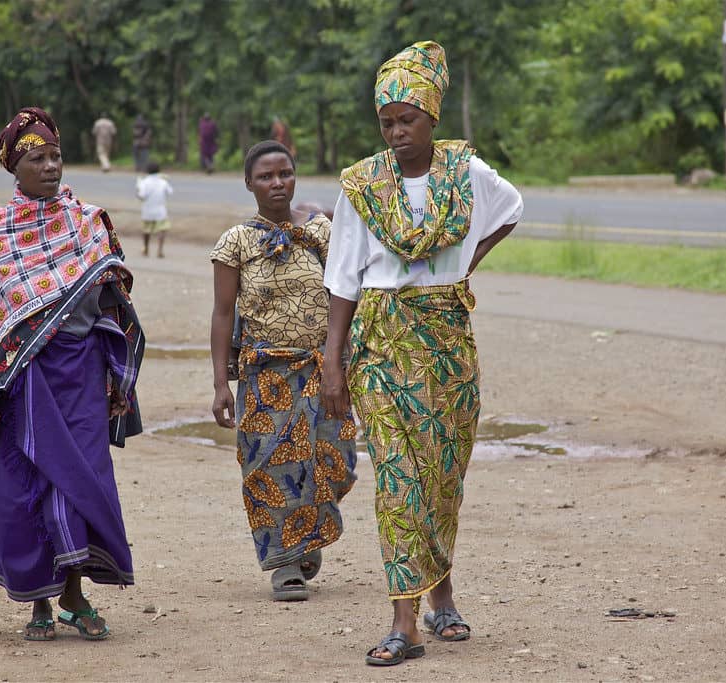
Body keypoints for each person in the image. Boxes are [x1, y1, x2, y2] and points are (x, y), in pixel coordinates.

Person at [320, 41, 523, 666]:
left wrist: (462, 269)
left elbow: (512, 210)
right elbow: (342, 275)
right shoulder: (363, 185)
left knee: (442, 477)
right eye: (386, 122)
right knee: (398, 477)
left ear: (433, 116)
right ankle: (403, 623)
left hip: (447, 343)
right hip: (381, 342)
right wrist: (332, 361)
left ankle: (442, 596)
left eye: (407, 119)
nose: (396, 132)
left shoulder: (467, 176)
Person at [0, 107, 145, 643]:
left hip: (81, 373)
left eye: (56, 156)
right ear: (14, 168)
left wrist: (115, 371)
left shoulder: (89, 221)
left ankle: (74, 596)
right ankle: (38, 601)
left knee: (81, 479)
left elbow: (114, 297)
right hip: (22, 380)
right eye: (36, 158)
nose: (50, 167)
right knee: (23, 485)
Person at [210, 140, 358, 602]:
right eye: (266, 176)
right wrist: (220, 383)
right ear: (249, 184)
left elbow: (345, 297)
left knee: (335, 462)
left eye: (285, 174)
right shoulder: (235, 242)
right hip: (265, 375)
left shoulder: (324, 234)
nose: (278, 183)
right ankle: (285, 564)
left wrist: (341, 360)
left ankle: (307, 533)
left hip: (323, 367)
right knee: (270, 468)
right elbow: (221, 313)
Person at [136, 161, 173, 258]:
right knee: (162, 230)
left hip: (147, 211)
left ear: (147, 171)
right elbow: (170, 192)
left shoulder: (144, 182)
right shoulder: (163, 181)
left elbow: (141, 196)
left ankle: (146, 248)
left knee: (146, 231)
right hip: (160, 211)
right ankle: (160, 250)